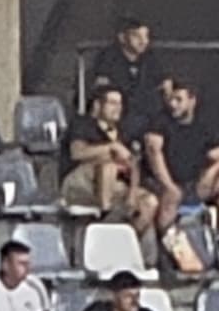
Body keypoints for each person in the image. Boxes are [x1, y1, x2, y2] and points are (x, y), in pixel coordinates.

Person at [145, 79, 219, 263]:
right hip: (164, 183)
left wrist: (210, 173)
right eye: (171, 99)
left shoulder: (203, 127)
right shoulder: (160, 123)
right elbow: (154, 153)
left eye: (179, 99)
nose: (173, 104)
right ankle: (164, 246)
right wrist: (169, 185)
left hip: (193, 184)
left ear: (192, 101)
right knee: (172, 195)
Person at [65, 84, 156, 228]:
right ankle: (104, 213)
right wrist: (112, 147)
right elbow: (77, 153)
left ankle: (123, 237)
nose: (118, 108)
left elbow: (134, 164)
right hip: (80, 183)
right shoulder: (83, 124)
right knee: (108, 165)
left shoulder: (124, 132)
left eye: (120, 104)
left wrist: (132, 194)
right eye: (112, 103)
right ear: (97, 105)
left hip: (115, 185)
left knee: (150, 202)